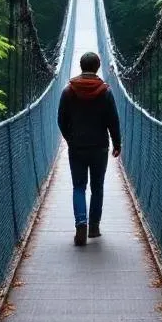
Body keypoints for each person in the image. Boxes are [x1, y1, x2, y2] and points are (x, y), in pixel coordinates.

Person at [57, 51, 122, 246]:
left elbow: (61, 120)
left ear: (80, 66)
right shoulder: (106, 92)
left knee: (78, 187)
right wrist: (117, 143)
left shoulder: (68, 91)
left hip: (77, 147)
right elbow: (114, 121)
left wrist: (70, 138)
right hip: (99, 147)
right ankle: (94, 227)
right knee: (97, 188)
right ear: (98, 67)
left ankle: (81, 223)